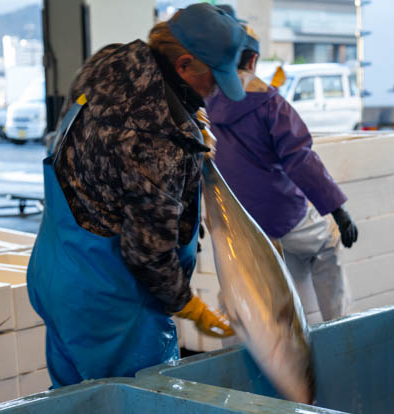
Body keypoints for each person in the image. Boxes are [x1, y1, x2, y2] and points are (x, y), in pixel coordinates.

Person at [27, 4, 243, 388]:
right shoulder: (161, 139)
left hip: (56, 269)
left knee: (72, 406)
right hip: (110, 300)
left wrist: (192, 117)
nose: (214, 90)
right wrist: (185, 303)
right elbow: (147, 252)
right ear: (184, 65)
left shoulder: (110, 61)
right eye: (213, 78)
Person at [205, 25, 357, 321]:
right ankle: (340, 326)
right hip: (280, 215)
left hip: (231, 222)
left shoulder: (203, 101)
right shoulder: (269, 102)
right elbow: (300, 159)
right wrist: (338, 211)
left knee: (240, 292)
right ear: (252, 60)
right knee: (327, 245)